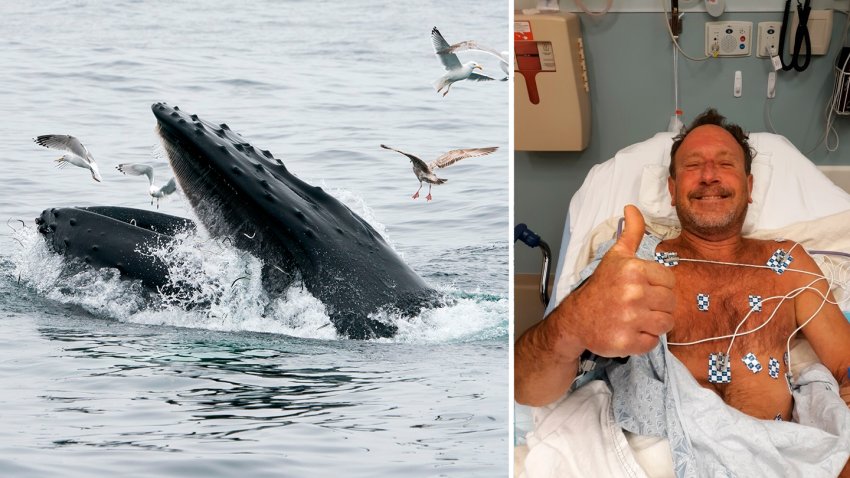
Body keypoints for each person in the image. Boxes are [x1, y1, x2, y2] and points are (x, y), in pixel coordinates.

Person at [515, 109, 850, 425]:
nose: (708, 175)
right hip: (652, 460)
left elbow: (844, 363)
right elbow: (527, 388)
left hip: (775, 457)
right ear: (672, 191)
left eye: (725, 163)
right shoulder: (630, 265)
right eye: (692, 165)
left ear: (749, 188)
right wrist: (572, 321)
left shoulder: (789, 264)